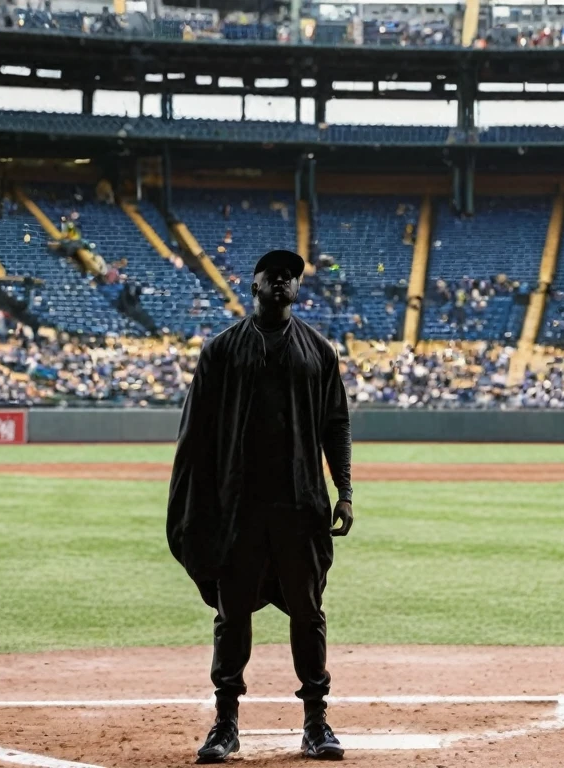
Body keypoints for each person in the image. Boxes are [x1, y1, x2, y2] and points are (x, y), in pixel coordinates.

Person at [168, 249, 354, 764]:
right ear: (251, 283)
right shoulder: (221, 350)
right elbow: (196, 436)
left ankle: (316, 723)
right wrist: (195, 507)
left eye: (290, 276)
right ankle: (225, 724)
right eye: (272, 274)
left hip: (301, 506)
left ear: (297, 289)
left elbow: (335, 425)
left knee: (308, 613)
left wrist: (345, 492)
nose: (282, 281)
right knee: (232, 617)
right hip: (238, 509)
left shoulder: (318, 350)